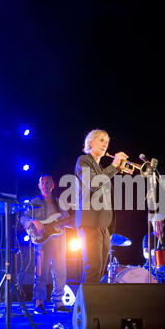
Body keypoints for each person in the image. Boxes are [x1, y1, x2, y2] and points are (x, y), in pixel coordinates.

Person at [74, 129, 128, 283]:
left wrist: (110, 228)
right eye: (101, 140)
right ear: (90, 143)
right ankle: (85, 307)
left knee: (100, 269)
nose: (105, 144)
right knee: (93, 267)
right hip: (89, 222)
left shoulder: (100, 169)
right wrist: (114, 166)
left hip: (103, 226)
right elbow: (93, 183)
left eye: (107, 142)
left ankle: (90, 305)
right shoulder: (83, 160)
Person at [21, 175, 74, 314]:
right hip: (42, 241)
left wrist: (75, 222)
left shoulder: (59, 203)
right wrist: (34, 221)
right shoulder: (34, 201)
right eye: (43, 182)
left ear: (53, 185)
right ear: (39, 185)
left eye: (48, 182)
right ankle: (39, 302)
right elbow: (23, 218)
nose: (45, 184)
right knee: (41, 273)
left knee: (61, 272)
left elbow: (67, 222)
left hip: (59, 241)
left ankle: (58, 302)